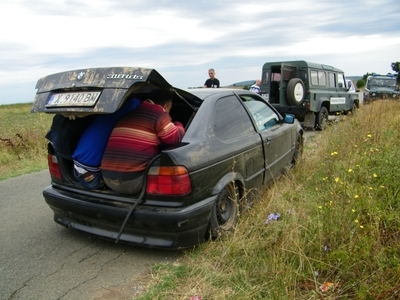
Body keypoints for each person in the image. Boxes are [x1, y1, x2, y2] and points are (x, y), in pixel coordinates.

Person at [101, 88, 185, 194]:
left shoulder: (132, 112)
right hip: (131, 183)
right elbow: (175, 139)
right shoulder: (159, 113)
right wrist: (179, 124)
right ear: (166, 106)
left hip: (107, 178)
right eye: (169, 109)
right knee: (167, 158)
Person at [72, 97, 141, 189]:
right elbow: (134, 102)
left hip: (78, 168)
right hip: (90, 175)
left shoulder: (106, 115)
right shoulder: (120, 120)